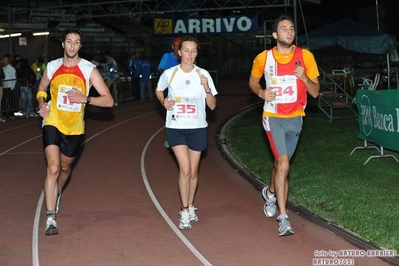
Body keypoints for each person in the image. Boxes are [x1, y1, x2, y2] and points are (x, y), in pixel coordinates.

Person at [36, 27, 114, 236]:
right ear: (63, 44)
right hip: (52, 120)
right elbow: (42, 87)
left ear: (80, 45)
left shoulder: (89, 69)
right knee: (52, 168)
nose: (72, 45)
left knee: (64, 167)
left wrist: (85, 99)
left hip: (75, 127)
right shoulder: (52, 66)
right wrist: (42, 102)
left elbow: (109, 100)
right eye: (68, 41)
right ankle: (51, 217)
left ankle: (58, 190)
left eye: (76, 42)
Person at [248, 14, 320, 237]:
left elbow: (316, 92)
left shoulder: (305, 56)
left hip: (296, 118)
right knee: (284, 164)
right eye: (284, 29)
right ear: (275, 35)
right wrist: (261, 92)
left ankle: (270, 192)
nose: (289, 32)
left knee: (281, 165)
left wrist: (304, 79)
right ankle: (283, 217)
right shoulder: (263, 58)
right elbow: (252, 81)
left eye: (291, 29)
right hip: (273, 116)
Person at [155, 36, 217, 230]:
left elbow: (213, 106)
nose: (190, 54)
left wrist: (206, 88)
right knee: (185, 169)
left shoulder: (203, 74)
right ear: (179, 52)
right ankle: (184, 210)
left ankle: (190, 206)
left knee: (194, 172)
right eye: (186, 50)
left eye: (194, 51)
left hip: (198, 127)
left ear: (197, 53)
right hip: (176, 128)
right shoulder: (170, 74)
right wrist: (163, 101)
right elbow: (159, 90)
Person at [157, 37, 181, 148]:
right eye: (176, 45)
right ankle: (169, 137)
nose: (177, 47)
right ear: (172, 46)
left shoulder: (185, 57)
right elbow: (160, 69)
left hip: (183, 92)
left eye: (180, 45)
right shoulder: (167, 56)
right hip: (169, 92)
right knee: (171, 114)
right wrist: (167, 72)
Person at [2, 54, 17, 121]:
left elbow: (14, 78)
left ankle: (12, 113)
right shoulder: (2, 68)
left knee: (11, 100)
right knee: (4, 101)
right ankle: (4, 113)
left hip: (10, 87)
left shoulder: (12, 69)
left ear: (7, 60)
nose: (3, 61)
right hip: (4, 87)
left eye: (4, 60)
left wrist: (12, 87)